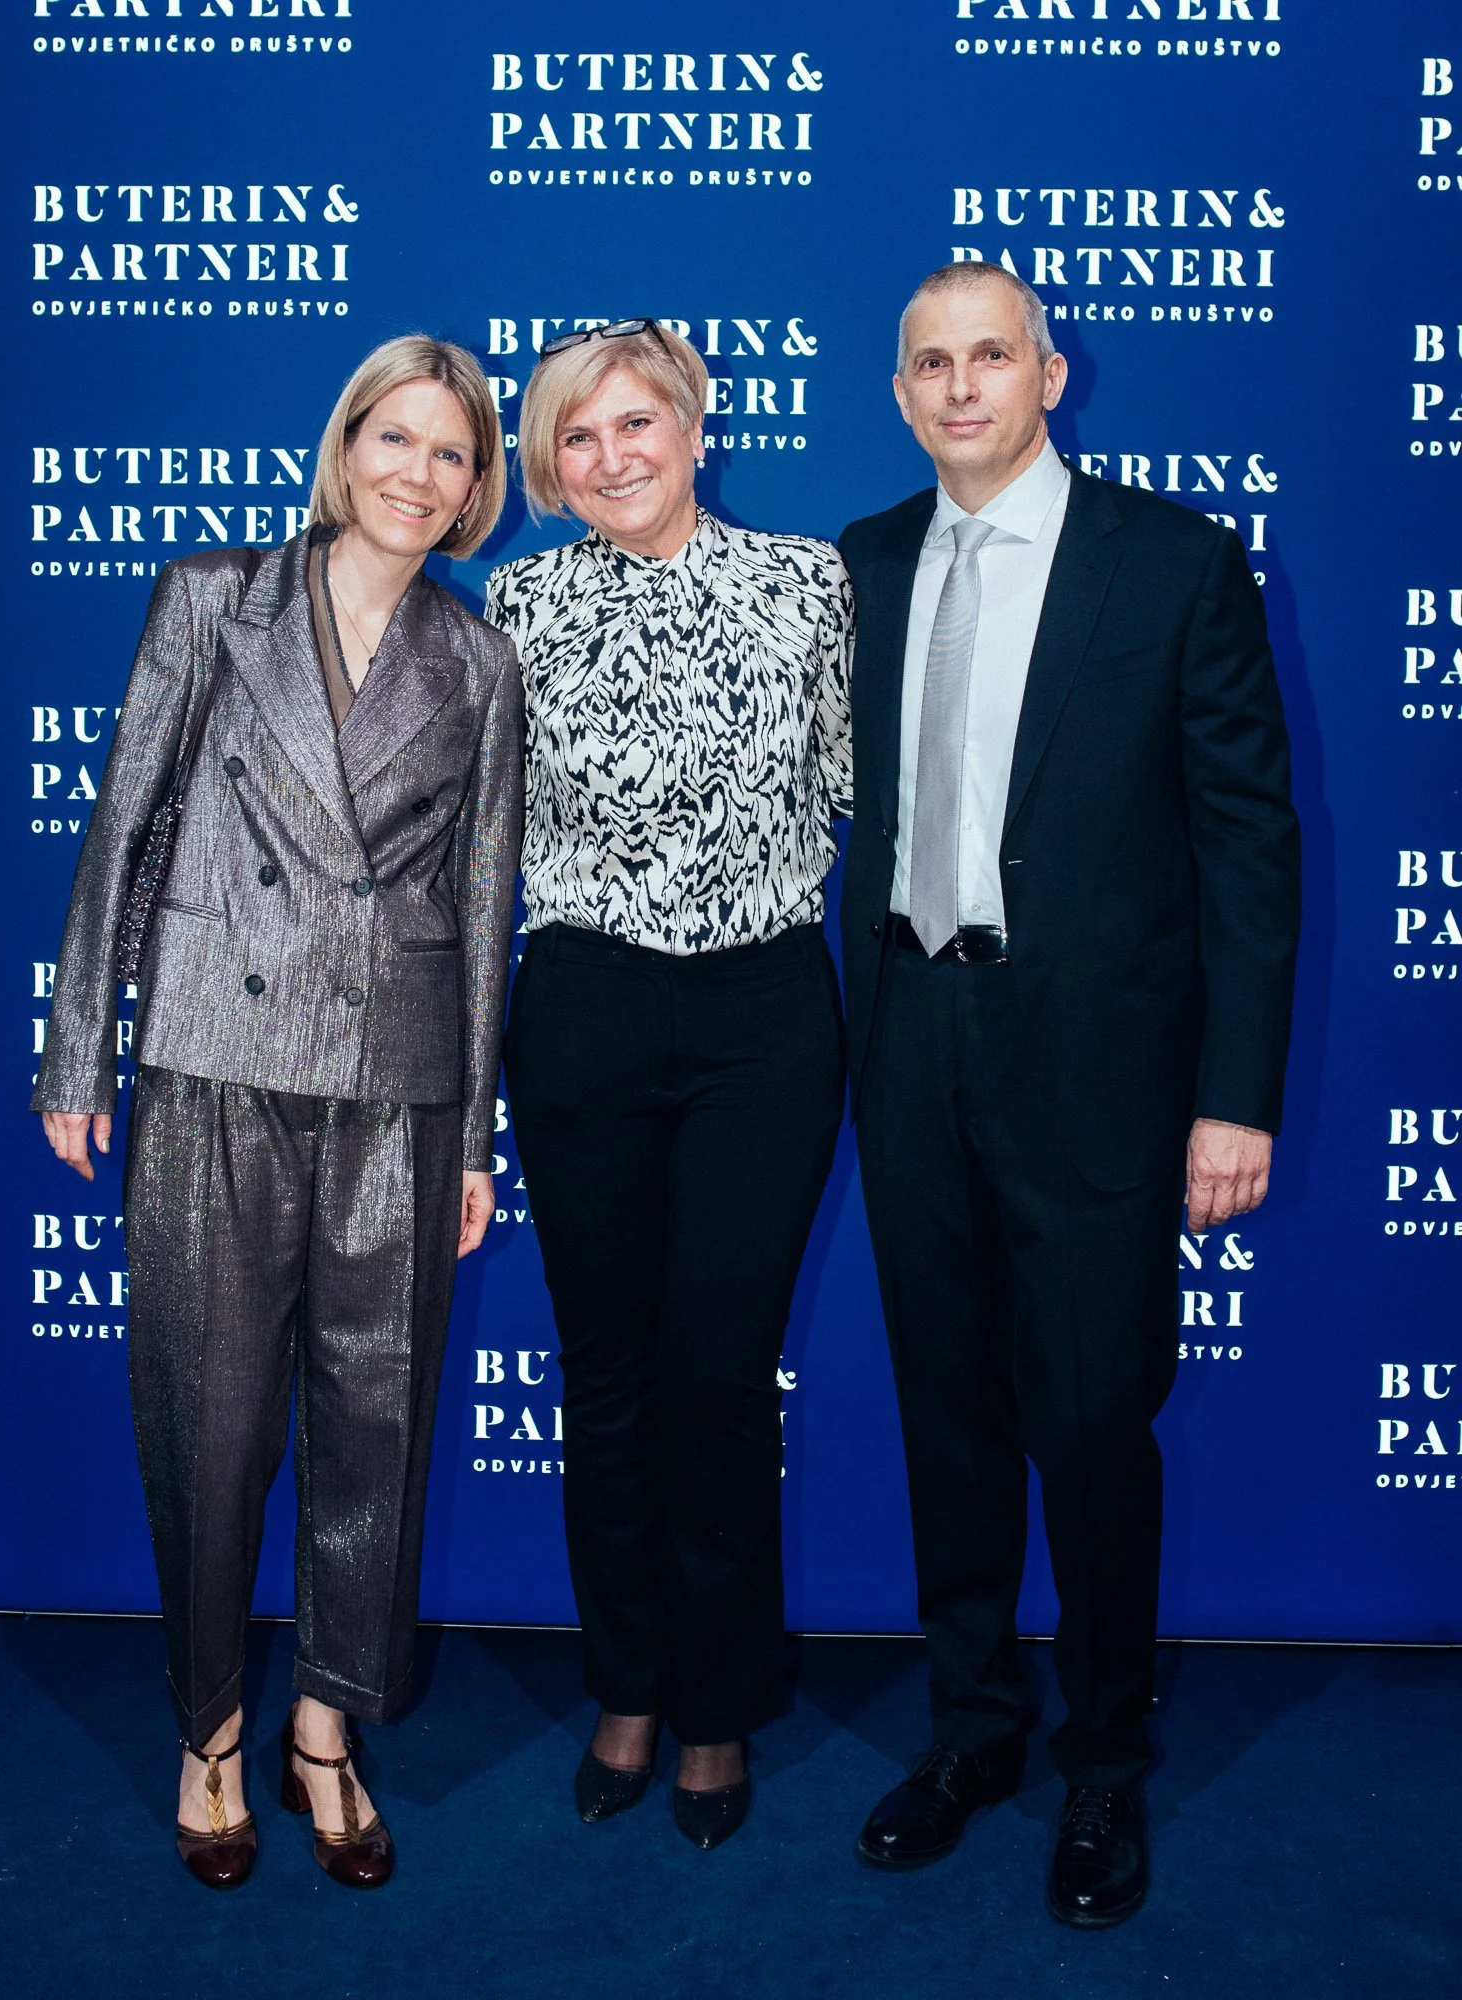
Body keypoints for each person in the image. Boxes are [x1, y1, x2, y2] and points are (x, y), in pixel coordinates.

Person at [839, 264, 1299, 1925]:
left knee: (1096, 1433)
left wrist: (1233, 1097)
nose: (963, 387)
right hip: (910, 1054)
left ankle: (1103, 1768)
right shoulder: (866, 565)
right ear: (901, 393)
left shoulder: (1173, 564)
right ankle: (973, 1732)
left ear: (1052, 372)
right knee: (948, 1422)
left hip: (1101, 1073)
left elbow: (1251, 844)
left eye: (992, 357)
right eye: (931, 363)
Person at [33, 336, 522, 1891]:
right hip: (212, 1061)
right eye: (394, 439)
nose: (417, 476)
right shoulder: (208, 599)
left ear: (477, 486)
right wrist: (76, 1051)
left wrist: (468, 1134)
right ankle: (207, 1733)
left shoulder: (479, 662)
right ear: (344, 445)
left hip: (396, 1084)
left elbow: (488, 895)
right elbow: (123, 821)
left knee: (375, 1429)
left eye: (450, 454)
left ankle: (326, 1727)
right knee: (210, 1419)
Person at [485, 320, 852, 1850]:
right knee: (610, 1371)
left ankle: (720, 1705)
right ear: (550, 471)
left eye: (639, 422)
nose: (612, 455)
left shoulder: (808, 583)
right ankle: (627, 1684)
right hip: (582, 1011)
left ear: (697, 429)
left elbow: (858, 793)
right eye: (579, 437)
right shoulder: (517, 603)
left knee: (719, 1375)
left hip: (765, 1016)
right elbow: (484, 843)